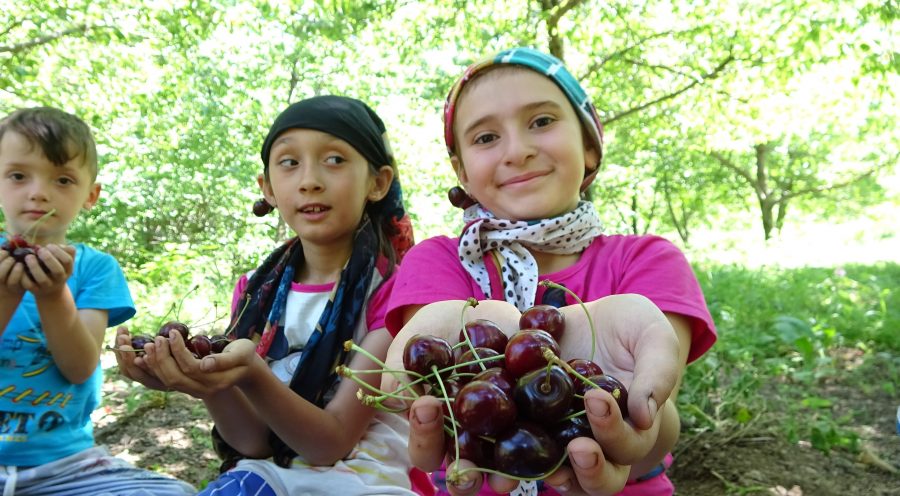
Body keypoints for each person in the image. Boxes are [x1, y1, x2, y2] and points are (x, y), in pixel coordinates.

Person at [381, 47, 717, 496]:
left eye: (541, 121)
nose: (517, 151)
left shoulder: (647, 260)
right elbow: (445, 388)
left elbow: (653, 424)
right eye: (485, 138)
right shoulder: (437, 260)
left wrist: (637, 427)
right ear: (460, 171)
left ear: (590, 148)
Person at [114, 95, 430, 495]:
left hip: (367, 481)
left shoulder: (395, 295)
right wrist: (209, 382)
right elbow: (252, 442)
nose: (310, 179)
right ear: (267, 187)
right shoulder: (253, 293)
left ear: (378, 183)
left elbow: (330, 443)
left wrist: (251, 373)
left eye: (334, 160)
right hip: (269, 475)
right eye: (289, 162)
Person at [0, 107, 195, 495]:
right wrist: (6, 293)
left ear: (90, 195)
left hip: (65, 467)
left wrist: (54, 295)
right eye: (19, 176)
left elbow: (79, 366)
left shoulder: (94, 269)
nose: (38, 192)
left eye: (63, 179)